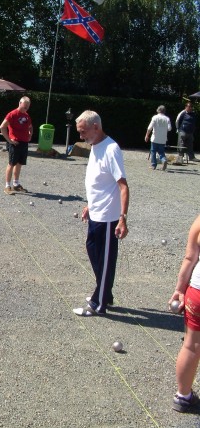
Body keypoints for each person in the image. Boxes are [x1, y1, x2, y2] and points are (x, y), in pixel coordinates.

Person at [72, 110, 129, 317]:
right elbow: (99, 182)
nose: (81, 136)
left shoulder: (111, 149)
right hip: (96, 212)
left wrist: (122, 219)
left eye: (83, 131)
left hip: (108, 217)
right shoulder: (96, 145)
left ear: (96, 126)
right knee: (92, 251)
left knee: (105, 260)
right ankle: (106, 293)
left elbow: (123, 186)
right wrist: (89, 204)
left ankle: (98, 303)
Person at [168, 214, 200, 412]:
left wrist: (180, 290)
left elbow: (190, 258)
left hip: (197, 291)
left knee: (190, 347)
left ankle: (183, 396)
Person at [0, 97, 32, 195]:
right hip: (15, 143)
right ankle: (7, 186)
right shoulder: (12, 114)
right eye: (24, 106)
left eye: (27, 107)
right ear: (20, 103)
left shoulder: (26, 116)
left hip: (24, 142)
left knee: (19, 163)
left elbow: (30, 126)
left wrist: (30, 135)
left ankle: (16, 184)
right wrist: (9, 140)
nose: (26, 108)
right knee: (11, 163)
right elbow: (2, 127)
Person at [145, 105, 171, 171]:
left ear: (158, 110)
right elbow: (169, 128)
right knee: (161, 152)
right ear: (164, 111)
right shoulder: (167, 118)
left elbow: (149, 128)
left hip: (155, 138)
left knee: (153, 151)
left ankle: (153, 165)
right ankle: (164, 160)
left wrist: (147, 135)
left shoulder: (155, 117)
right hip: (163, 139)